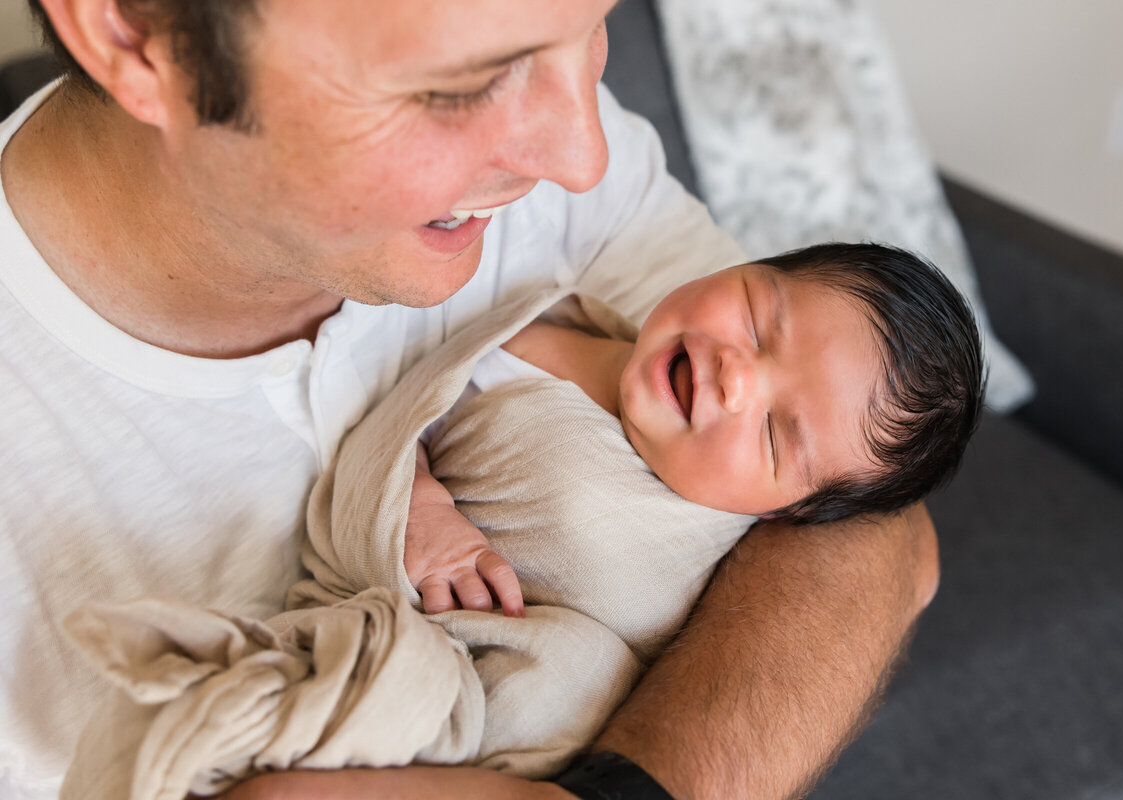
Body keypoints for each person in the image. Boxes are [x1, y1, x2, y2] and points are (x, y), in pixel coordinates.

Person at [0, 1, 940, 799]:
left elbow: (876, 525)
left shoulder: (574, 183)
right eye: (462, 84)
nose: (580, 153)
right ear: (130, 30)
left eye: (597, 24)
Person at [409, 244, 982, 618]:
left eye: (775, 435)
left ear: (782, 514)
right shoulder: (559, 298)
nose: (738, 378)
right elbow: (378, 414)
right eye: (758, 323)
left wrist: (418, 504)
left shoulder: (645, 554)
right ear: (743, 264)